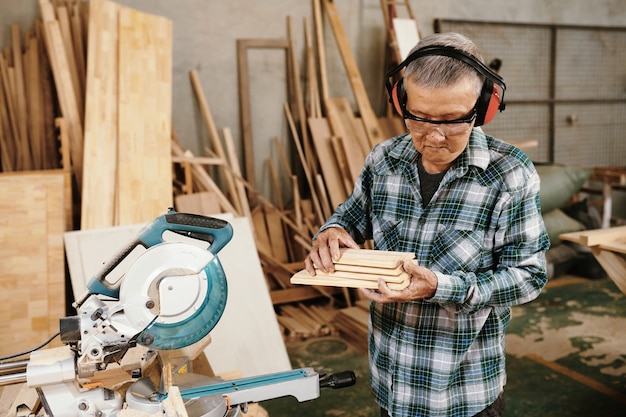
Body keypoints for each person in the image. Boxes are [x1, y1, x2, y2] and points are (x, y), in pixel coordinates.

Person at [304, 32, 550, 417]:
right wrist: (332, 232)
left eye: (453, 121)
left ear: (483, 108)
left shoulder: (509, 174)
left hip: (462, 393)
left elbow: (529, 276)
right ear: (402, 101)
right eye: (419, 117)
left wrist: (440, 287)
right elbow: (351, 217)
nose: (434, 136)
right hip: (391, 384)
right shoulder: (384, 159)